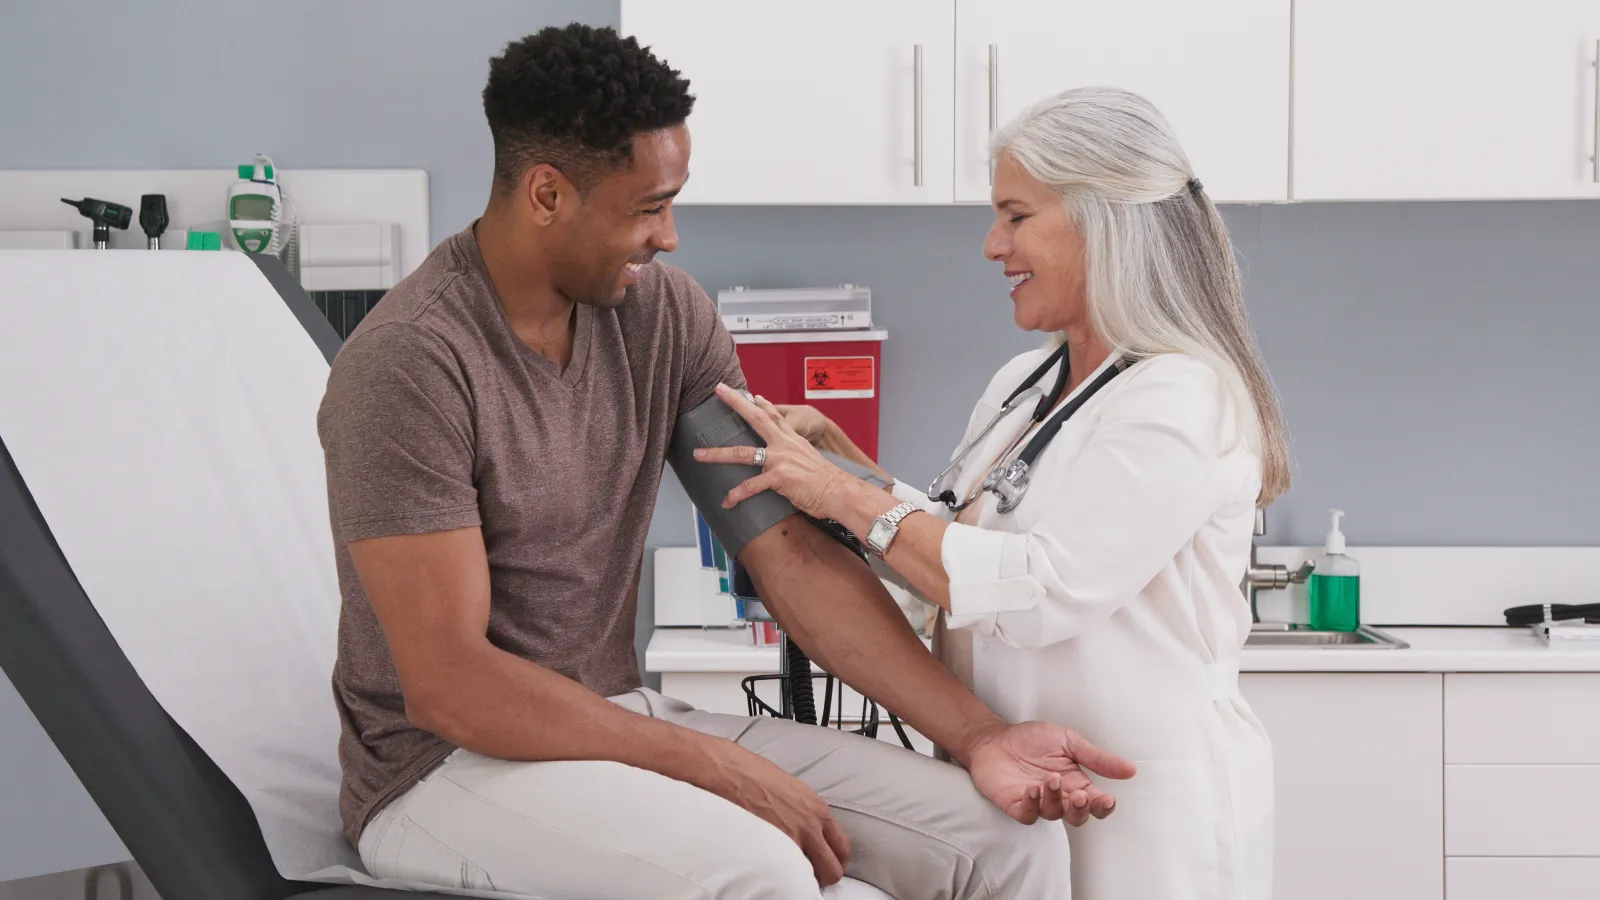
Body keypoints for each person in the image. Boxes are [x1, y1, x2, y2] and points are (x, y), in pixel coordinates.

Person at [316, 25, 1135, 900]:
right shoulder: (409, 364)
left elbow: (785, 551)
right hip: (441, 774)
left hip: (612, 719)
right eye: (644, 208)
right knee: (761, 871)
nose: (668, 236)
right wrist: (710, 765)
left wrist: (978, 739)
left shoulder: (664, 318)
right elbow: (450, 688)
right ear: (546, 193)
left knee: (1005, 843)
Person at [698, 85, 1287, 900]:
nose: (989, 245)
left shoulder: (1184, 396)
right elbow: (959, 544)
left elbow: (1040, 587)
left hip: (1148, 806)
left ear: (1101, 220)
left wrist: (844, 494)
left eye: (1015, 216)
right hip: (1024, 785)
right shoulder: (1029, 381)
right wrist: (850, 467)